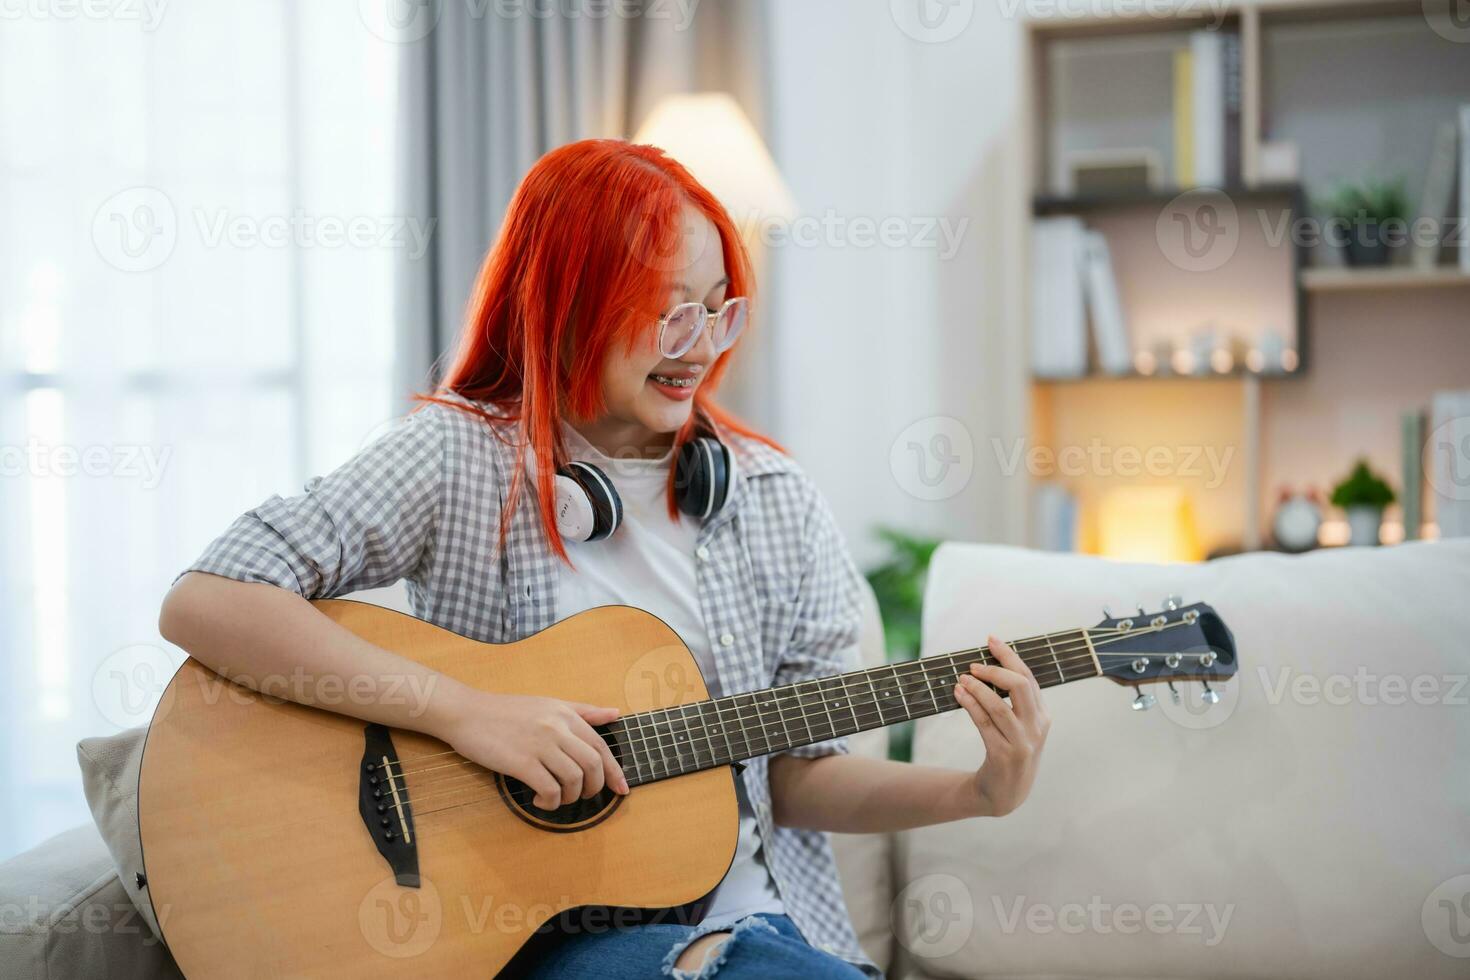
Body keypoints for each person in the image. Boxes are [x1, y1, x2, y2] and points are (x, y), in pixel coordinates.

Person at [158, 138, 1050, 979]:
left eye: (714, 308)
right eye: (665, 311)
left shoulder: (774, 496)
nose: (699, 345)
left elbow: (797, 776)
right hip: (526, 937)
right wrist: (467, 713)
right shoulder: (458, 457)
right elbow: (209, 598)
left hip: (752, 926)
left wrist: (977, 789)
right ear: (568, 301)